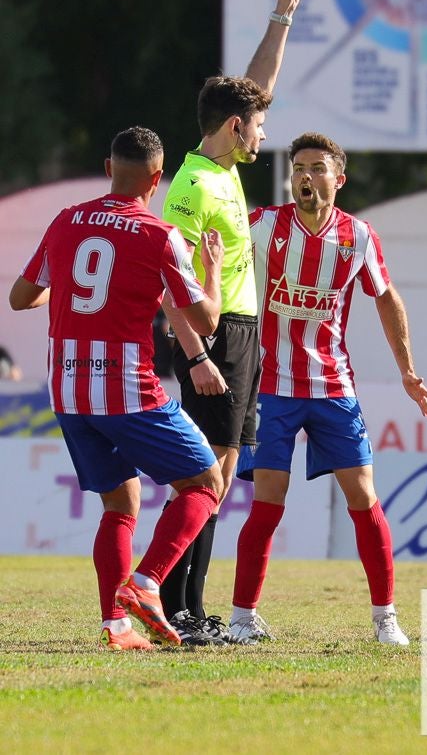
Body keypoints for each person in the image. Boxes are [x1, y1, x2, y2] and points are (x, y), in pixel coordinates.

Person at [8, 127, 227, 650]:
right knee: (205, 483)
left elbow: (21, 297)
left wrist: (65, 287)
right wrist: (213, 272)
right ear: (157, 178)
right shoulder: (158, 235)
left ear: (109, 168)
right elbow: (208, 319)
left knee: (120, 503)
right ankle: (147, 585)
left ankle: (116, 625)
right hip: (126, 390)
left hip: (68, 389)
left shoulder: (65, 223)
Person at [227, 132, 427, 646]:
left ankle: (385, 617)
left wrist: (408, 370)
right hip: (272, 389)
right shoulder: (262, 227)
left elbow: (386, 299)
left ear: (338, 179)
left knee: (365, 498)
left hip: (333, 387)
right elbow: (220, 272)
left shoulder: (359, 237)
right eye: (298, 167)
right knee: (268, 502)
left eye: (318, 168)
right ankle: (241, 618)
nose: (305, 176)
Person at [157, 0, 302, 647]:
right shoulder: (191, 187)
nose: (265, 134)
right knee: (206, 473)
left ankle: (188, 606)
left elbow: (257, 86)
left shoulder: (222, 165)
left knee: (219, 473)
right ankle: (177, 607)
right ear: (238, 128)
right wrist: (197, 357)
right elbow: (169, 283)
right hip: (216, 340)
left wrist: (283, 13)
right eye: (261, 126)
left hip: (241, 332)